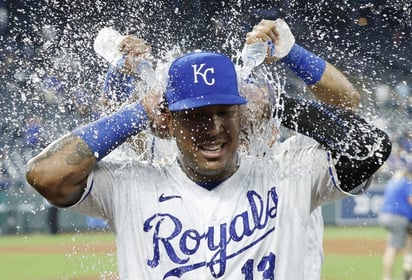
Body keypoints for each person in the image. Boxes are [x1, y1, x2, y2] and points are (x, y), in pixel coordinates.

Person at [25, 19, 391, 279]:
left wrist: (279, 98)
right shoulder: (134, 182)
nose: (213, 128)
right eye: (196, 116)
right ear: (168, 122)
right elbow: (45, 174)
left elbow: (368, 142)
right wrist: (139, 109)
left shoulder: (290, 171)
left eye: (225, 113)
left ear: (243, 115)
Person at [379, 151, 412, 280]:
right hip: (398, 218)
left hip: (385, 216)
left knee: (398, 244)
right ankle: (388, 277)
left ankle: (406, 271)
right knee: (394, 248)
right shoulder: (407, 183)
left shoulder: (394, 181)